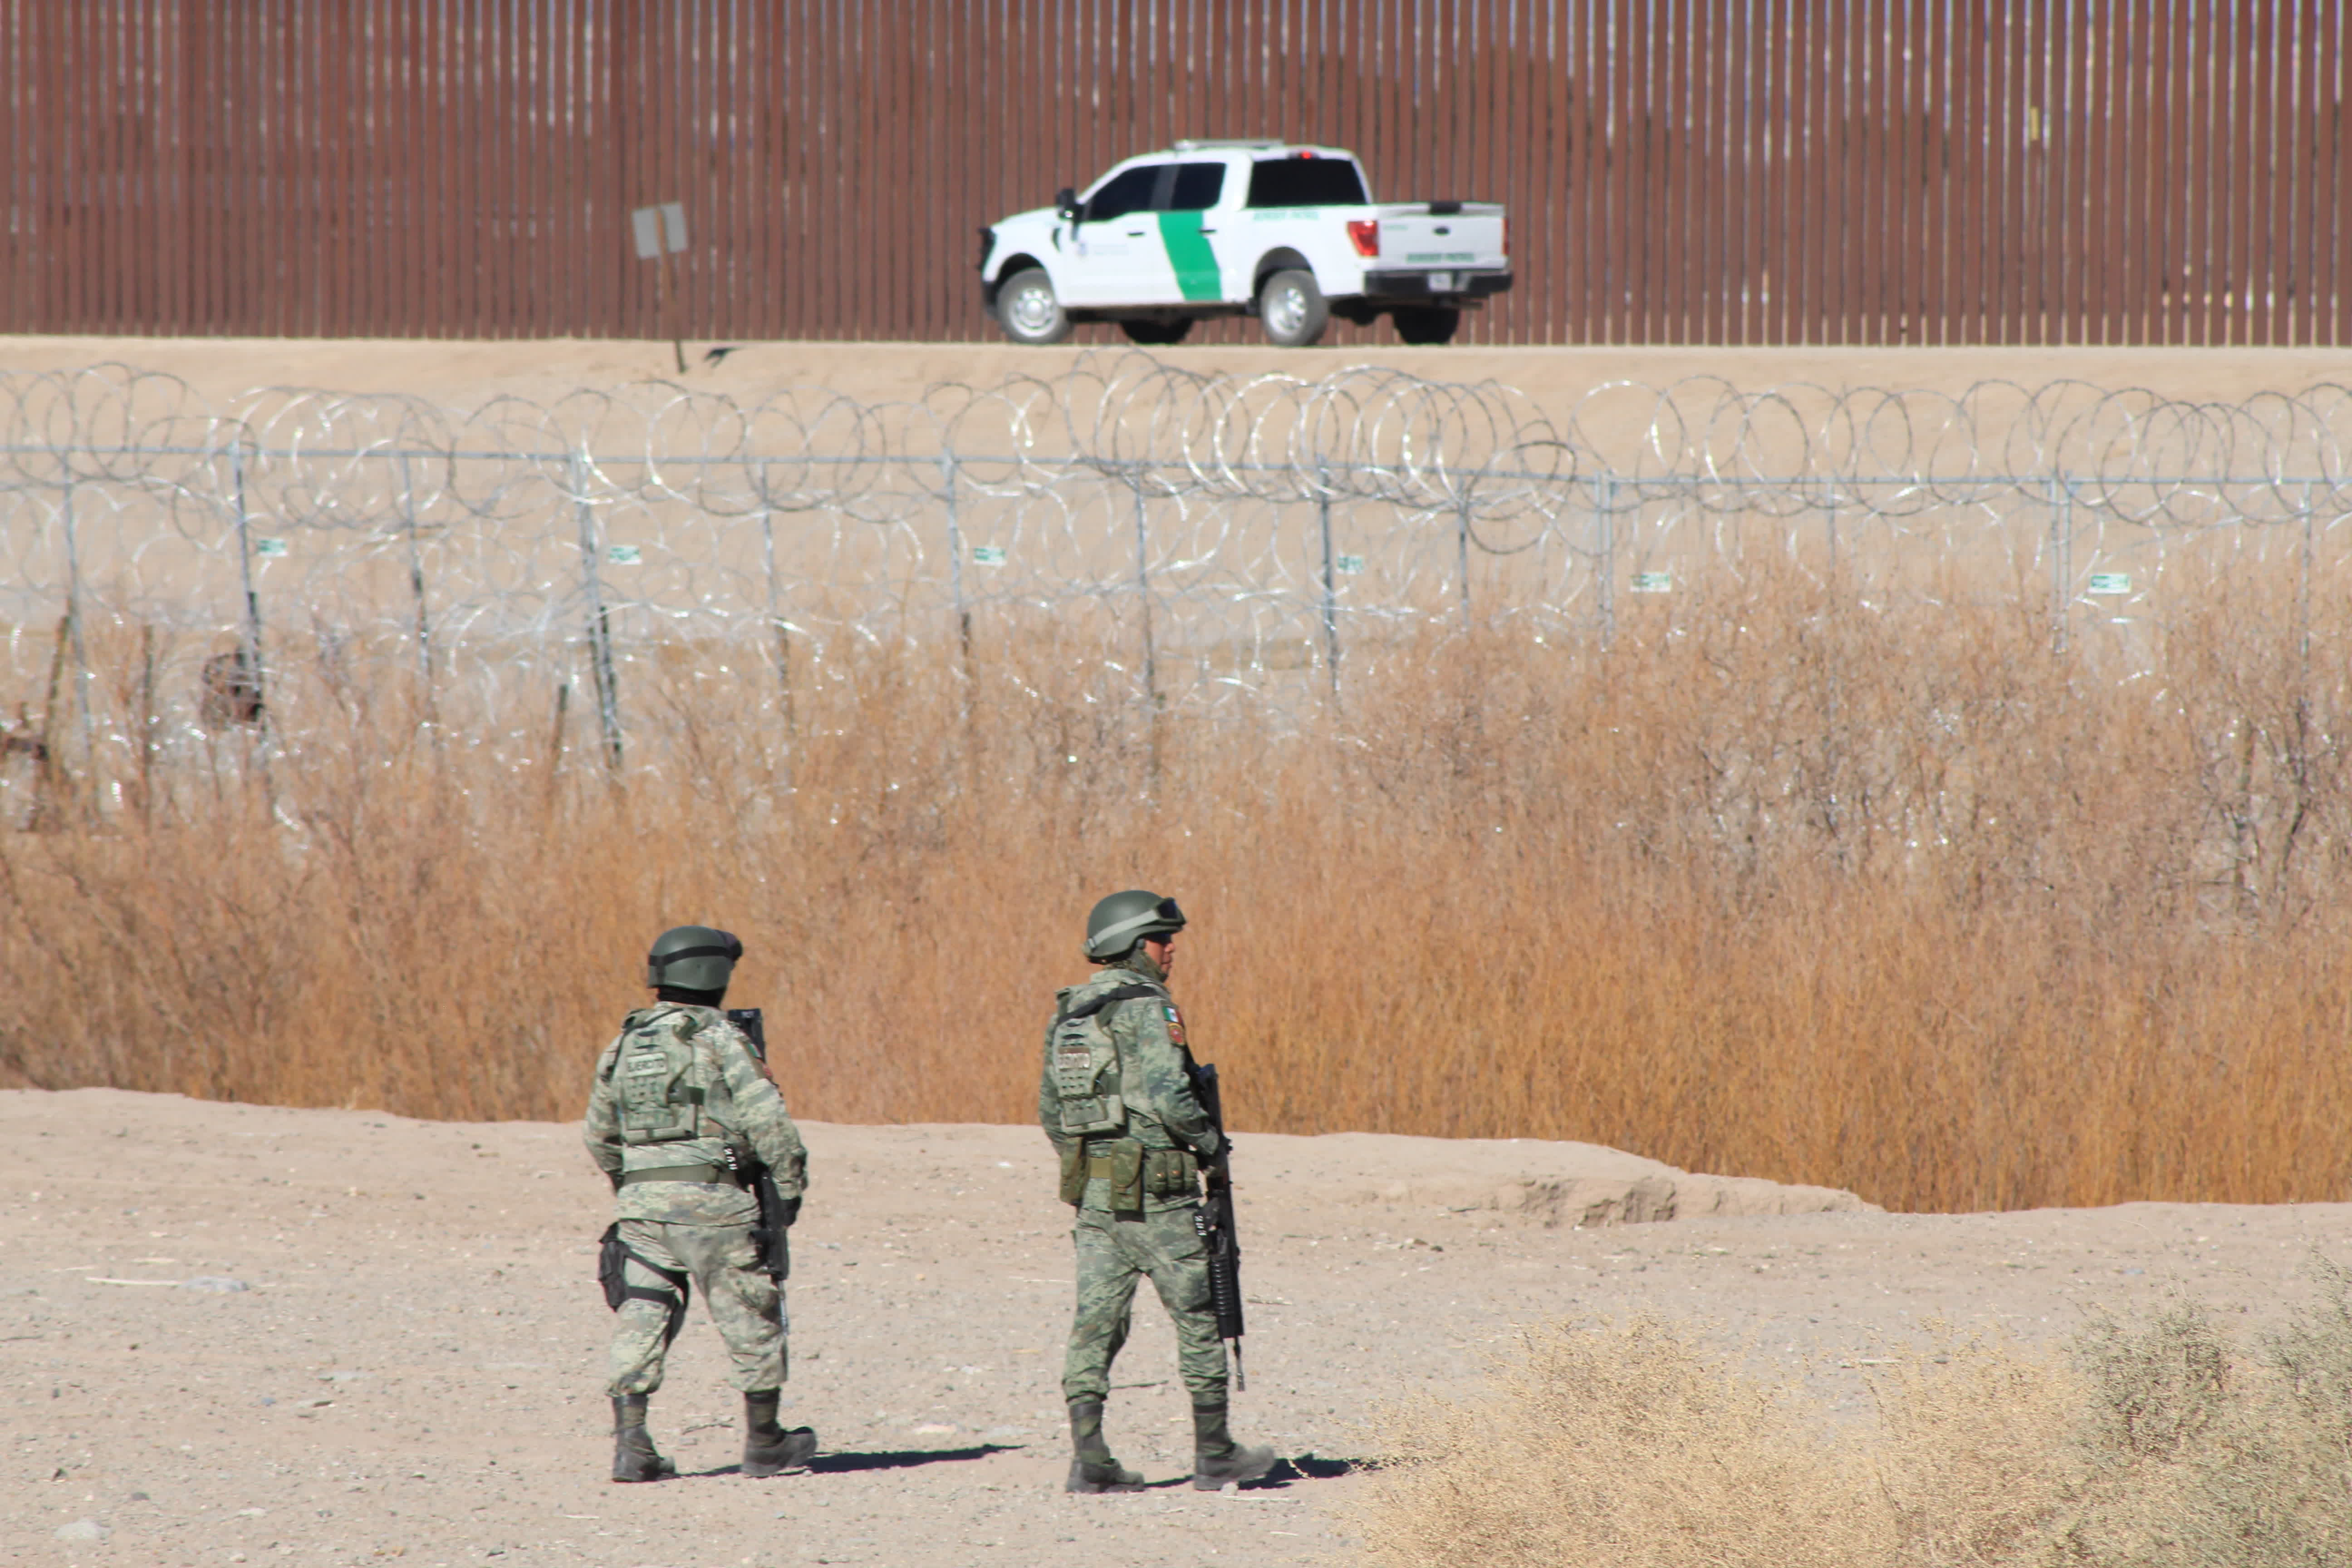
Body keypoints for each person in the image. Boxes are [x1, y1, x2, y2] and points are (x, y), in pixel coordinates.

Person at [1039, 889, 1278, 1493]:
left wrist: (1092, 1166)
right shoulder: (1151, 1007)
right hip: (1161, 1197)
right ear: (1132, 944)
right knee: (1199, 1316)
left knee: (1095, 1326)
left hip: (1097, 1201)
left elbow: (1051, 1113)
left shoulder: (1070, 1012)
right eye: (1161, 940)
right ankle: (1215, 1452)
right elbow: (1173, 1098)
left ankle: (1089, 1459)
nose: (1170, 951)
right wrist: (1209, 1146)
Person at [583, 925, 815, 1483]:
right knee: (750, 1310)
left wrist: (636, 1188)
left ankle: (632, 1444)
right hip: (714, 1203)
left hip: (641, 1210)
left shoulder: (624, 1043)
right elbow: (769, 1124)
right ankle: (765, 1443)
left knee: (642, 1311)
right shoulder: (719, 1038)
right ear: (715, 975)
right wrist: (788, 1189)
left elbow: (599, 1136)